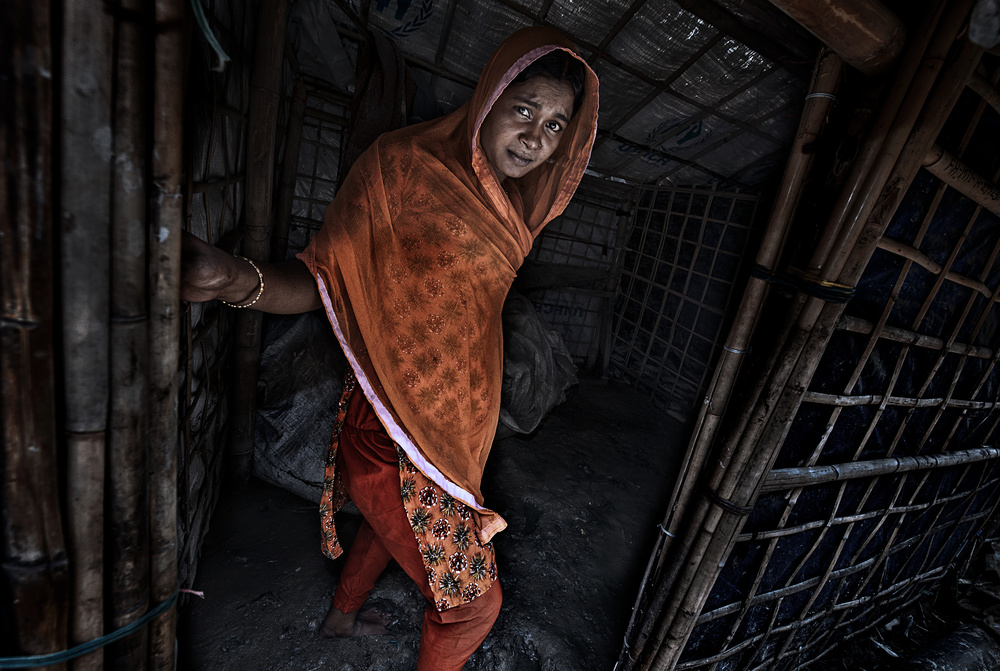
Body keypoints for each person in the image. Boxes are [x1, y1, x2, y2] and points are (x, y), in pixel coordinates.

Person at [181, 26, 599, 670]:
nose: (535, 136)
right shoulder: (401, 169)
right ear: (489, 100)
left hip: (452, 429)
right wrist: (236, 280)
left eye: (554, 126)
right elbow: (328, 277)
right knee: (472, 608)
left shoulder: (513, 209)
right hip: (390, 432)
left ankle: (341, 617)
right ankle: (350, 616)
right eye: (524, 109)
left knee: (388, 526)